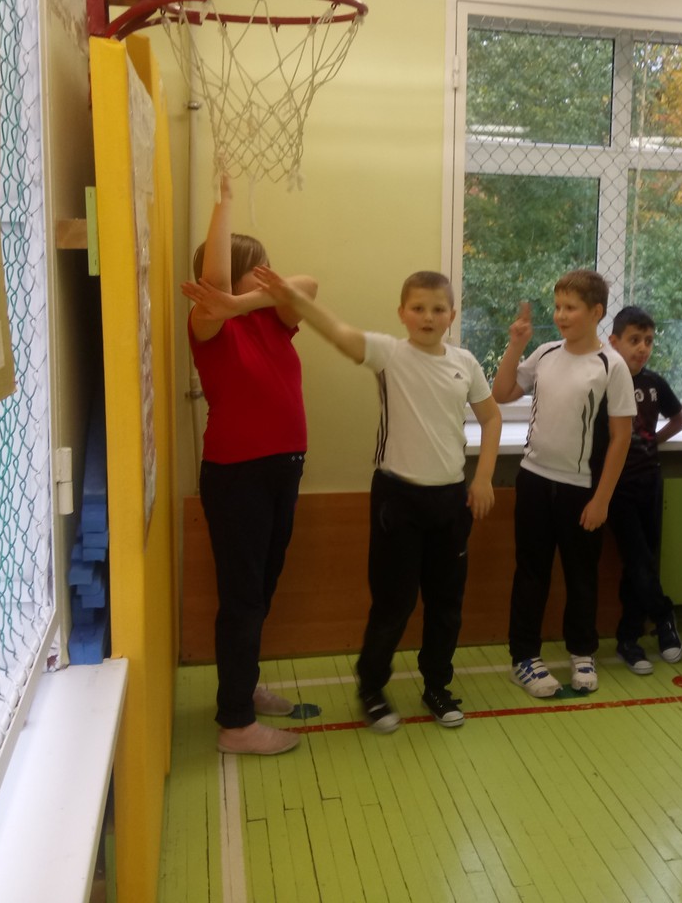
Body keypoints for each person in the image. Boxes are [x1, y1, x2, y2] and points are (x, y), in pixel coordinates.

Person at [253, 266, 503, 730]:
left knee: (446, 605)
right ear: (402, 313)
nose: (428, 317)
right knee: (394, 604)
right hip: (397, 503)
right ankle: (371, 686)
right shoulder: (389, 354)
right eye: (418, 308)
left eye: (438, 309)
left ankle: (437, 685)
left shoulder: (465, 363)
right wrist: (295, 299)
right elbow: (338, 332)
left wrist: (483, 478)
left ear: (452, 315)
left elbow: (491, 418)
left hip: (451, 502)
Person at [180, 176, 317, 756]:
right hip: (238, 475)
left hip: (282, 468)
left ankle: (244, 684)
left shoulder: (269, 318)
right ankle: (235, 724)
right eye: (259, 267)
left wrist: (246, 298)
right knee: (242, 598)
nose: (272, 275)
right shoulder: (210, 325)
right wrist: (225, 203)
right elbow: (214, 284)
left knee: (260, 591)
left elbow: (307, 286)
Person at [493, 271, 636, 697]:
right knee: (531, 573)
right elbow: (501, 392)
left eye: (570, 308)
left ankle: (582, 651)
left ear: (596, 311)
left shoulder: (612, 366)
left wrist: (602, 499)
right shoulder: (545, 353)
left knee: (581, 575)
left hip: (582, 491)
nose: (560, 315)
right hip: (534, 482)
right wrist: (516, 344)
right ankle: (524, 657)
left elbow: (621, 437)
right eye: (557, 307)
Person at [603, 306, 682, 674]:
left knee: (642, 563)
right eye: (634, 340)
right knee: (637, 558)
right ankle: (664, 615)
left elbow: (678, 419)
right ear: (614, 342)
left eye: (648, 341)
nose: (642, 348)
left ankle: (629, 638)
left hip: (650, 482)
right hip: (616, 486)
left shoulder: (654, 383)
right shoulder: (604, 380)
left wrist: (654, 442)